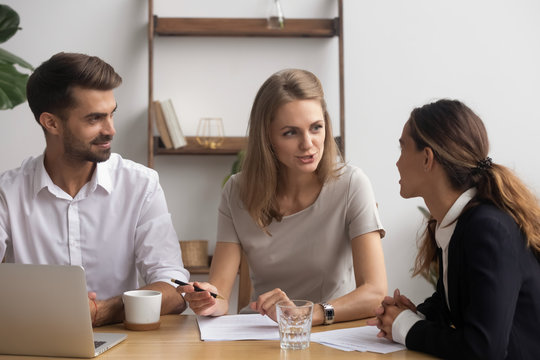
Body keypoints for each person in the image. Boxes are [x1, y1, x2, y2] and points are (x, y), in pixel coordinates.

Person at [178, 69, 387, 325]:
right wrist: (208, 300)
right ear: (267, 137)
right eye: (290, 132)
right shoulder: (237, 190)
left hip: (329, 331)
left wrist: (307, 315)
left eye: (316, 128)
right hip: (261, 330)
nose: (308, 144)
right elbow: (220, 296)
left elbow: (375, 293)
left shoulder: (352, 184)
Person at [0, 52, 189, 326]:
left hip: (124, 345)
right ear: (51, 122)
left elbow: (174, 288)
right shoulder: (8, 193)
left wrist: (103, 311)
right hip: (36, 345)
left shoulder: (140, 185)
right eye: (94, 119)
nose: (111, 130)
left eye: (112, 114)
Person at [370, 99, 540, 359]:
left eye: (402, 148)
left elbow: (485, 349)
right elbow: (459, 300)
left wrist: (406, 326)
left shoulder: (487, 228)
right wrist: (413, 314)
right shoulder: (457, 221)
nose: (397, 162)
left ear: (427, 158)